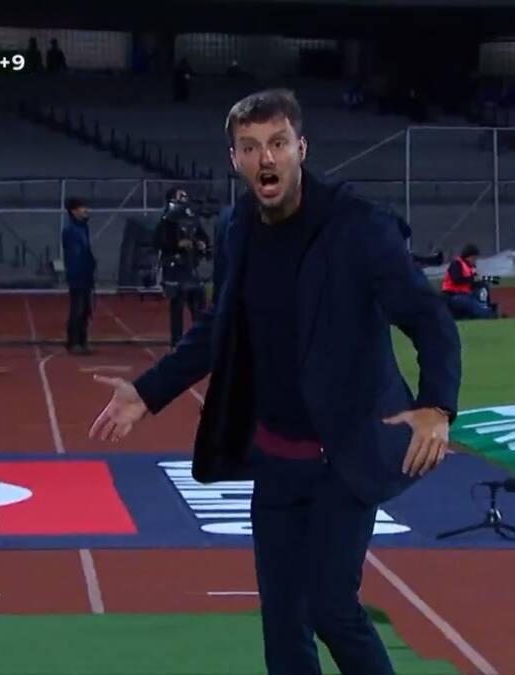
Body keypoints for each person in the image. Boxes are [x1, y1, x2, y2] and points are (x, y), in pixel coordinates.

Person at [87, 88, 462, 675]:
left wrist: (438, 404)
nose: (267, 158)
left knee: (331, 607)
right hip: (277, 456)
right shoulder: (235, 225)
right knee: (283, 619)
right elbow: (220, 323)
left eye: (278, 144)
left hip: (346, 452)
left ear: (300, 148)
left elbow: (428, 318)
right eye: (251, 147)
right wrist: (148, 391)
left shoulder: (359, 227)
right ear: (234, 158)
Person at [155, 187, 212, 347]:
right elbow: (160, 241)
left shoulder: (192, 218)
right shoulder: (167, 219)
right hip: (175, 267)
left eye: (185, 196)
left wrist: (203, 244)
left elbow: (203, 236)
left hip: (191, 266)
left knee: (199, 303)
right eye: (181, 196)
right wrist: (177, 244)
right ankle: (177, 340)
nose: (184, 199)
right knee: (177, 305)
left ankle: (198, 339)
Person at [61, 197, 96, 355]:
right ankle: (73, 342)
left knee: (86, 309)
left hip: (86, 273)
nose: (85, 210)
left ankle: (82, 340)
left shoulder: (83, 228)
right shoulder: (70, 230)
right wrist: (79, 270)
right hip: (77, 274)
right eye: (82, 208)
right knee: (77, 308)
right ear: (74, 211)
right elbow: (74, 255)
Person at [440, 243, 495, 319]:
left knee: (482, 290)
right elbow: (456, 279)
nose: (475, 260)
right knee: (472, 303)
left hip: (466, 294)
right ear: (469, 257)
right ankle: (486, 314)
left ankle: (487, 309)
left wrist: (484, 282)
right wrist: (472, 279)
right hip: (453, 296)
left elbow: (475, 282)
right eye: (474, 258)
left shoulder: (471, 267)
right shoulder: (456, 264)